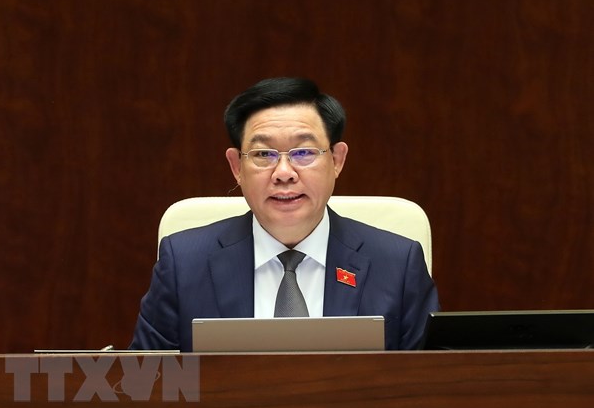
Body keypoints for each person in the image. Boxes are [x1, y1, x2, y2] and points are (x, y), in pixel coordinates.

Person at [129, 77, 439, 351]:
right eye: (264, 154)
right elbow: (144, 384)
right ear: (236, 167)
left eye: (303, 152)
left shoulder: (398, 265)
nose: (284, 173)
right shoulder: (184, 264)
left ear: (337, 160)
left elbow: (431, 386)